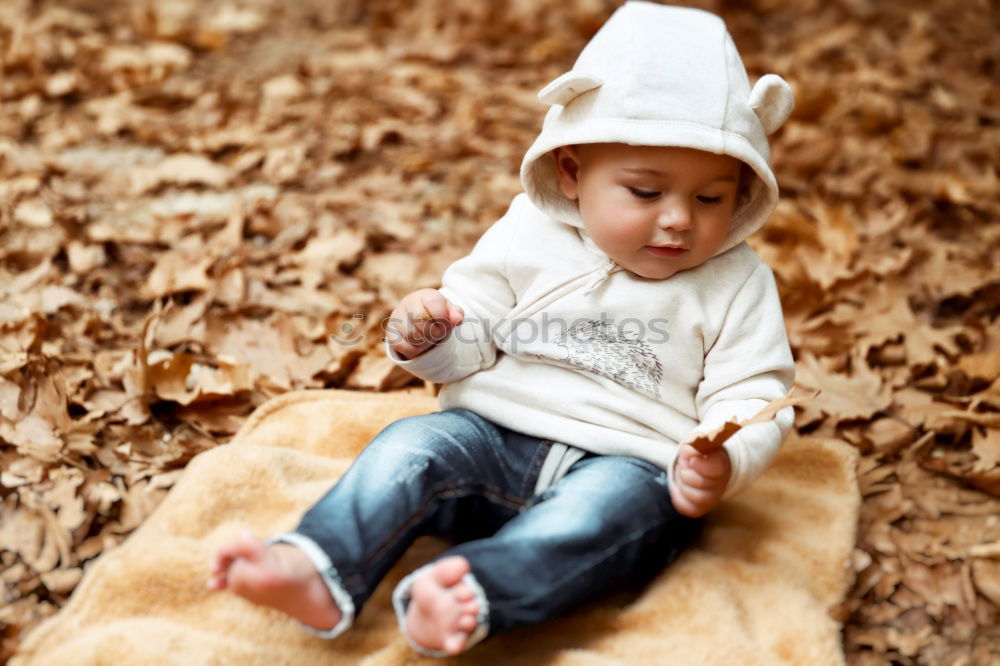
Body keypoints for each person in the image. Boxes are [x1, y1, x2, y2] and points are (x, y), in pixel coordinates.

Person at [207, 1, 797, 657]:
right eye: (645, 192)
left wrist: (724, 458)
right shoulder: (528, 234)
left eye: (709, 198)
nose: (679, 220)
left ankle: (472, 593)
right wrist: (430, 339)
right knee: (411, 446)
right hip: (488, 439)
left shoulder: (737, 283)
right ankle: (317, 566)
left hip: (629, 467)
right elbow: (471, 331)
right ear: (572, 172)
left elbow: (754, 394)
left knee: (595, 520)